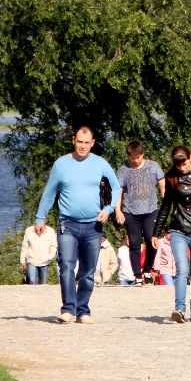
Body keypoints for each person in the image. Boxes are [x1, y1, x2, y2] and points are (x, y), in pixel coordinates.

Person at [34, 126, 121, 324]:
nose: (82, 146)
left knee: (88, 272)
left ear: (93, 143)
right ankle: (68, 309)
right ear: (73, 140)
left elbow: (116, 187)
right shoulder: (61, 164)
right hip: (68, 225)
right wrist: (41, 217)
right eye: (79, 142)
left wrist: (107, 209)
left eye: (86, 143)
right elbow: (49, 193)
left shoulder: (100, 163)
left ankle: (83, 310)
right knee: (66, 266)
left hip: (93, 226)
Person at [152, 145, 191, 324]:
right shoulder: (171, 178)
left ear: (190, 158)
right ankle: (179, 308)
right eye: (179, 165)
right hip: (178, 229)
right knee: (181, 269)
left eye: (184, 163)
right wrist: (157, 233)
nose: (182, 168)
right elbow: (165, 207)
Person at [114, 141, 165, 286]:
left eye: (138, 157)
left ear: (142, 154)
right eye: (132, 158)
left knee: (151, 239)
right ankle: (137, 276)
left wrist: (165, 205)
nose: (135, 161)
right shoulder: (124, 170)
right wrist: (118, 210)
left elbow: (163, 185)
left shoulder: (153, 166)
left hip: (151, 210)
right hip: (131, 211)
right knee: (134, 244)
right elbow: (119, 191)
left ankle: (148, 269)